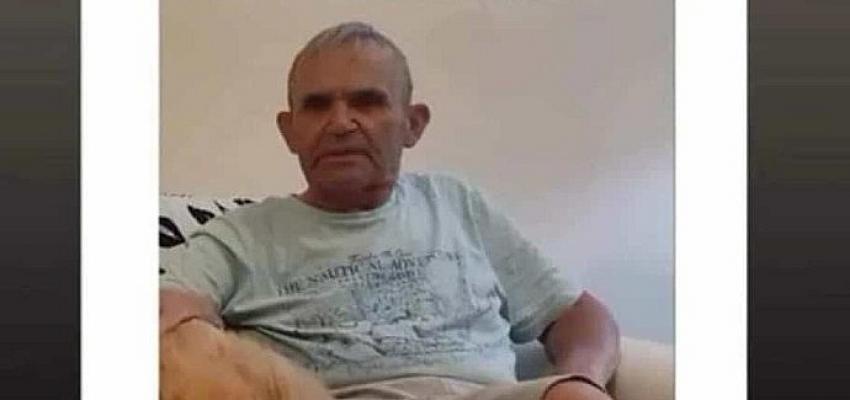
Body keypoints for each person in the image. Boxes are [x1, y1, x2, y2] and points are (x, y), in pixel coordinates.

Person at [160, 21, 620, 400]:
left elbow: (578, 315)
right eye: (317, 106)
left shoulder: (457, 204)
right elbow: (166, 311)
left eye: (367, 102)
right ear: (290, 130)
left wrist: (582, 377)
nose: (341, 123)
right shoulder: (241, 235)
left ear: (412, 124)